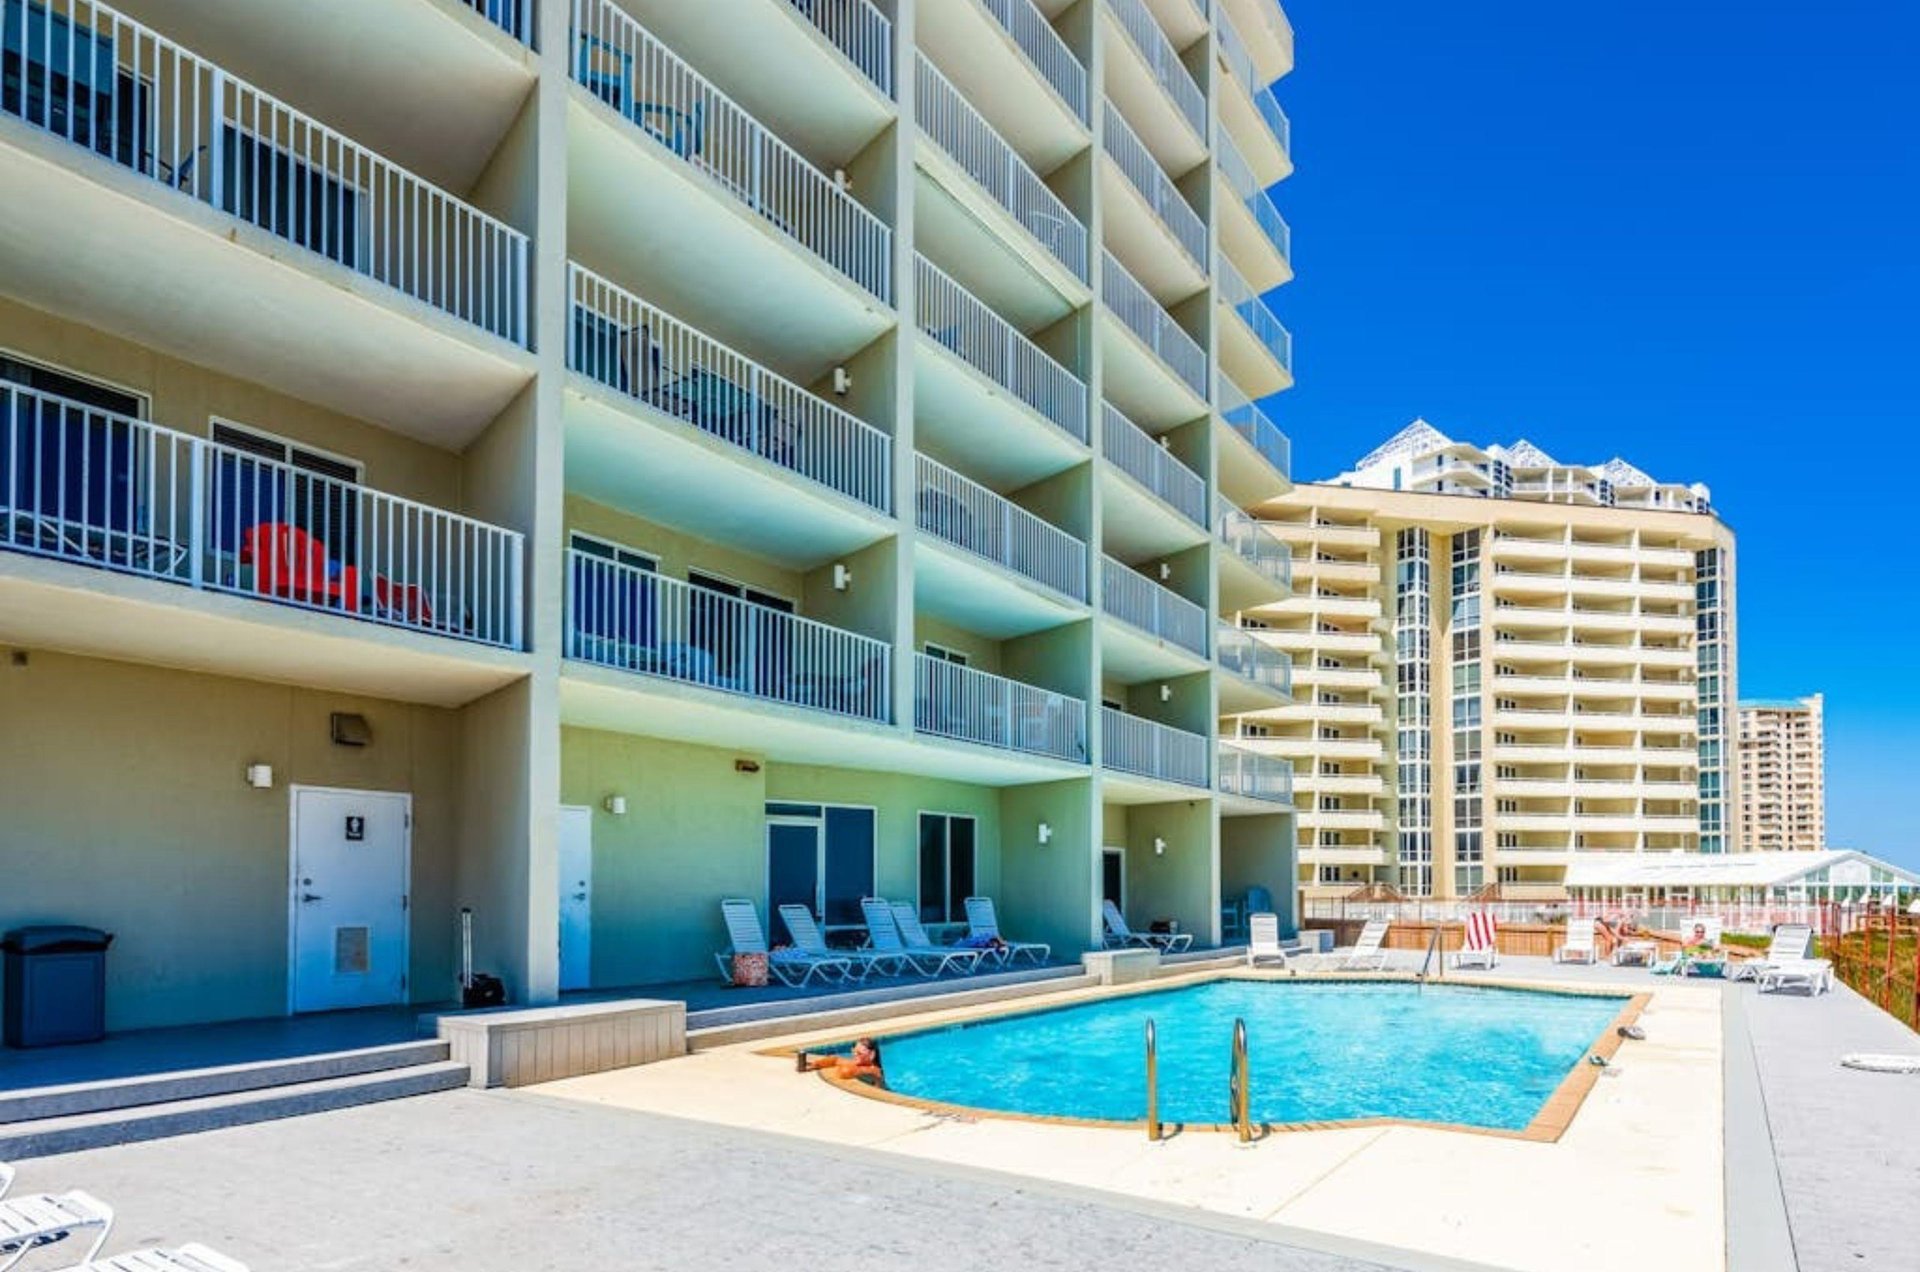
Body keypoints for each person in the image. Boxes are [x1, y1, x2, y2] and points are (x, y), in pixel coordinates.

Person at [795, 1037, 886, 1088]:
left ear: (872, 1054)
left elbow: (845, 1072)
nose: (855, 1055)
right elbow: (835, 1059)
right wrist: (814, 1065)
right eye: (854, 1052)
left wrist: (843, 1066)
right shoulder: (858, 1064)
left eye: (859, 1053)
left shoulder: (874, 1071)